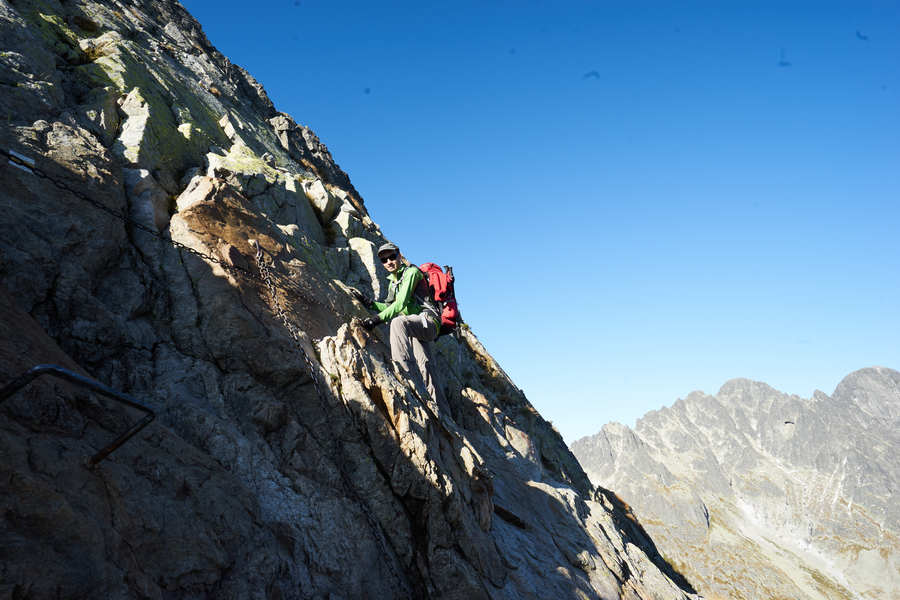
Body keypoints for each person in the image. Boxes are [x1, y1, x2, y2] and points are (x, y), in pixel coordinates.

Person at [353, 243, 444, 406]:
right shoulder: (393, 282)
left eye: (392, 257)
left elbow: (400, 303)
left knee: (397, 322)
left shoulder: (412, 273)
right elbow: (390, 306)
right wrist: (369, 303)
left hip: (428, 321)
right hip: (415, 324)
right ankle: (440, 410)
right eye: (384, 259)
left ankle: (403, 373)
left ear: (399, 255)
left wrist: (376, 320)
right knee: (426, 366)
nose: (389, 261)